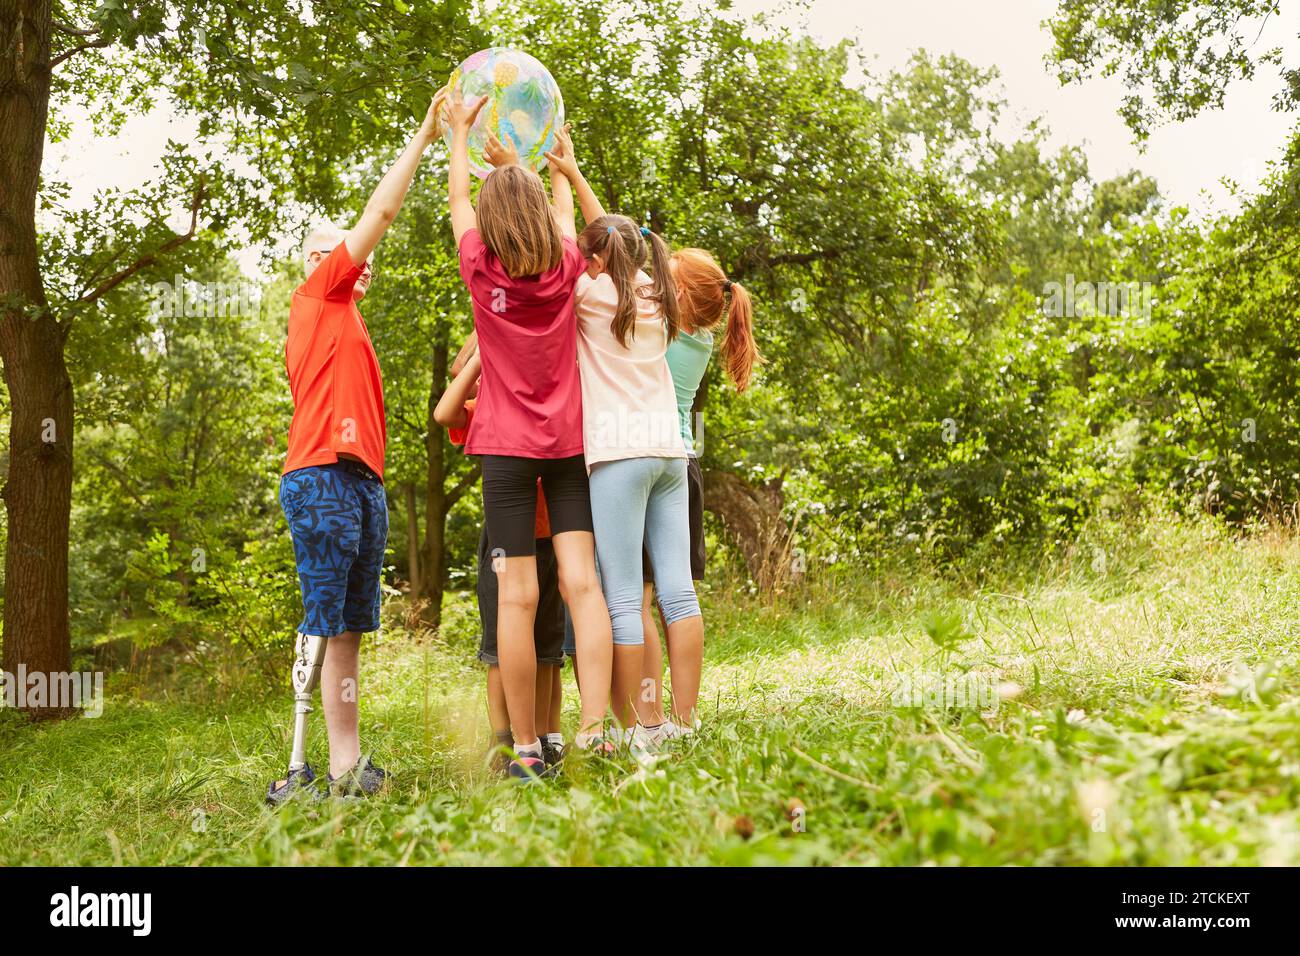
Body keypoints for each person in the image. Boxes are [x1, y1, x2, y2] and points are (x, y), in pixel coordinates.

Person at [268, 87, 449, 804]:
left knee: (348, 633)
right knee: (322, 622)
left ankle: (346, 770)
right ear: (317, 260)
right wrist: (426, 136)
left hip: (361, 484)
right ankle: (297, 770)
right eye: (340, 250)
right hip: (319, 479)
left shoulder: (353, 326)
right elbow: (382, 214)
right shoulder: (316, 300)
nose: (360, 260)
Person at [444, 88, 616, 771]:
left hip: (504, 454)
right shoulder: (568, 264)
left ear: (489, 224)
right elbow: (566, 218)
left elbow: (461, 202)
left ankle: (522, 749)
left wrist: (458, 135)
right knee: (583, 585)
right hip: (569, 450)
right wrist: (553, 169)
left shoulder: (479, 266)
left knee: (516, 597)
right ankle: (596, 728)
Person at [544, 126, 701, 745]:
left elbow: (566, 238)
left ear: (597, 257)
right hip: (670, 453)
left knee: (623, 600)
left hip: (618, 458)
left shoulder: (587, 292)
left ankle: (641, 726)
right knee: (679, 593)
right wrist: (577, 172)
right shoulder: (660, 289)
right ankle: (683, 724)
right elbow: (610, 239)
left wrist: (560, 177)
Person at [635, 244, 759, 741]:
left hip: (642, 462)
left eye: (664, 275)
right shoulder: (698, 338)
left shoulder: (659, 328)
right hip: (683, 465)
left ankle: (649, 720)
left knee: (638, 600)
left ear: (679, 292)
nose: (654, 280)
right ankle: (685, 720)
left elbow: (626, 281)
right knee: (679, 596)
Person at [435, 334, 568, 778]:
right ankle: (503, 741)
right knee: (500, 646)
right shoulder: (485, 411)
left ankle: (550, 738)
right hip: (504, 544)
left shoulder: (547, 402)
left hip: (553, 542)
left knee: (549, 646)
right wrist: (487, 342)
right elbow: (450, 402)